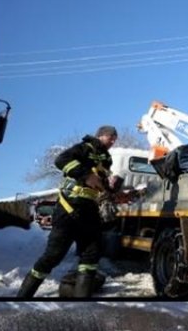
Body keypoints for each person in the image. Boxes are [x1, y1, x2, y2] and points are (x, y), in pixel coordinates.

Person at [17, 125, 117, 298]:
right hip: (68, 208)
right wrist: (85, 175)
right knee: (53, 256)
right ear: (101, 136)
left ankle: (81, 302)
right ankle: (23, 297)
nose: (114, 141)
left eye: (115, 138)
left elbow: (100, 184)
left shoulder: (107, 159)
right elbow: (61, 160)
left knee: (91, 255)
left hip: (90, 210)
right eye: (111, 137)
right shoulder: (83, 148)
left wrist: (113, 189)